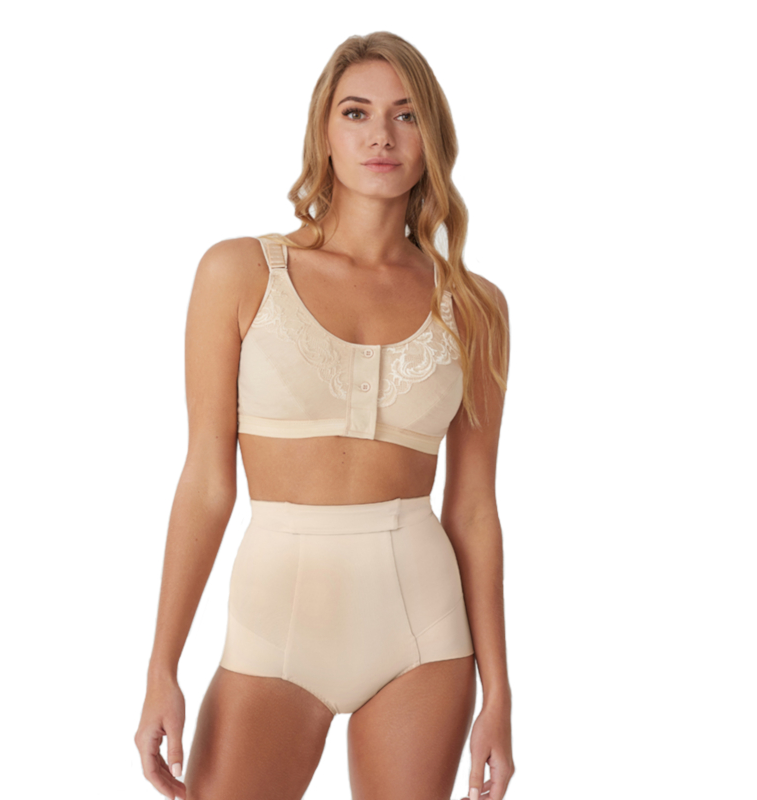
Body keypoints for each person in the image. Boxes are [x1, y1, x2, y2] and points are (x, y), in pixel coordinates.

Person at [134, 30, 514, 800]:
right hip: (273, 625)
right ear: (324, 133)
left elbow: (473, 508)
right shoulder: (239, 272)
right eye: (357, 112)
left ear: (433, 139)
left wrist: (499, 694)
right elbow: (206, 481)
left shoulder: (475, 307)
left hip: (424, 631)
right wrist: (161, 667)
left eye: (407, 115)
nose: (382, 136)